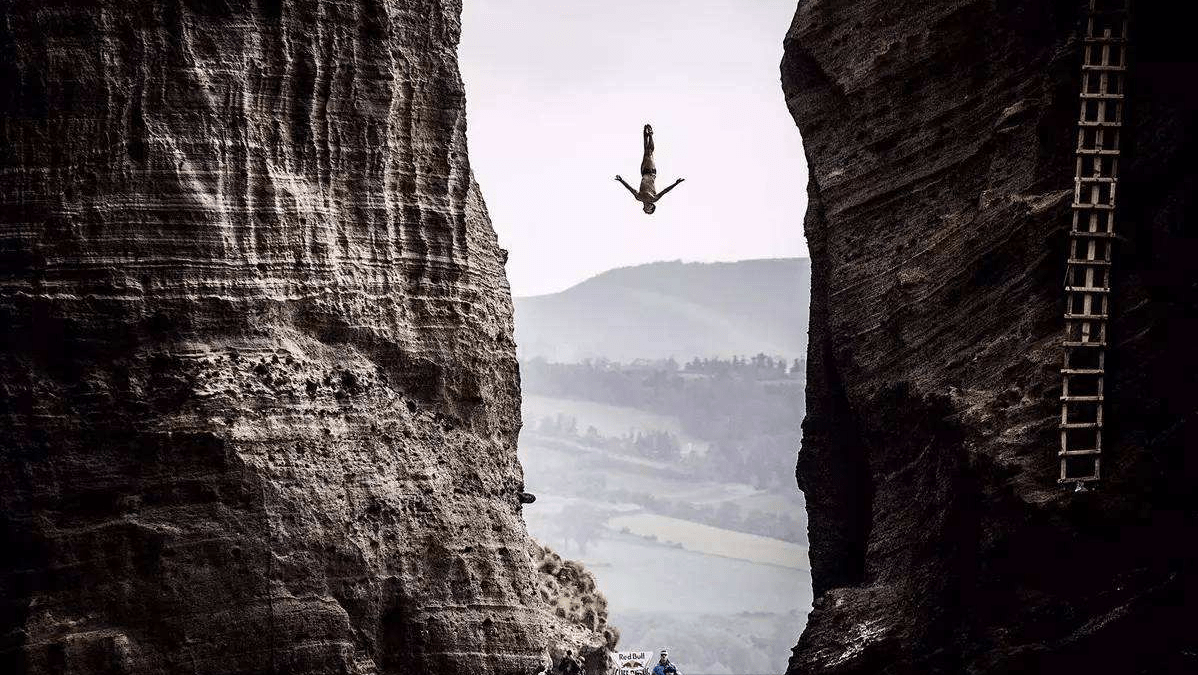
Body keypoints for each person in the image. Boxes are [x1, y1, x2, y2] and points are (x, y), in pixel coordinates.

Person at [615, 124, 685, 214]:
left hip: (643, 172)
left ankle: (645, 134)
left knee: (645, 152)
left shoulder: (638, 197)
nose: (645, 210)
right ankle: (650, 134)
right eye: (648, 211)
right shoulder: (654, 198)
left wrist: (621, 180)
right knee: (649, 152)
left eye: (646, 211)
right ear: (651, 207)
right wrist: (676, 183)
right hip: (651, 172)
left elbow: (630, 188)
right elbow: (665, 191)